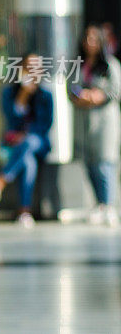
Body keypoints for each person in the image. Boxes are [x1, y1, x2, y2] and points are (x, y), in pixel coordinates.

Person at [0, 53, 54, 227]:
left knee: (30, 142)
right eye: (28, 67)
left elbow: (45, 125)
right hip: (15, 145)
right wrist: (23, 94)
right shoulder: (9, 93)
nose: (32, 71)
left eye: (36, 67)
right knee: (28, 162)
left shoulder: (46, 96)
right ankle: (24, 211)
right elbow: (11, 119)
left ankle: (0, 181)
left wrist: (26, 136)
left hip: (39, 142)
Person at [69, 24, 121, 227]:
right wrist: (81, 96)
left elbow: (115, 91)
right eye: (87, 38)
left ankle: (109, 205)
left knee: (105, 163)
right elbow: (70, 88)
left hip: (104, 121)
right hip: (83, 121)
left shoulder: (110, 65)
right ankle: (99, 205)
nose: (89, 43)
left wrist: (97, 96)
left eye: (94, 39)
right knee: (89, 163)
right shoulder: (77, 64)